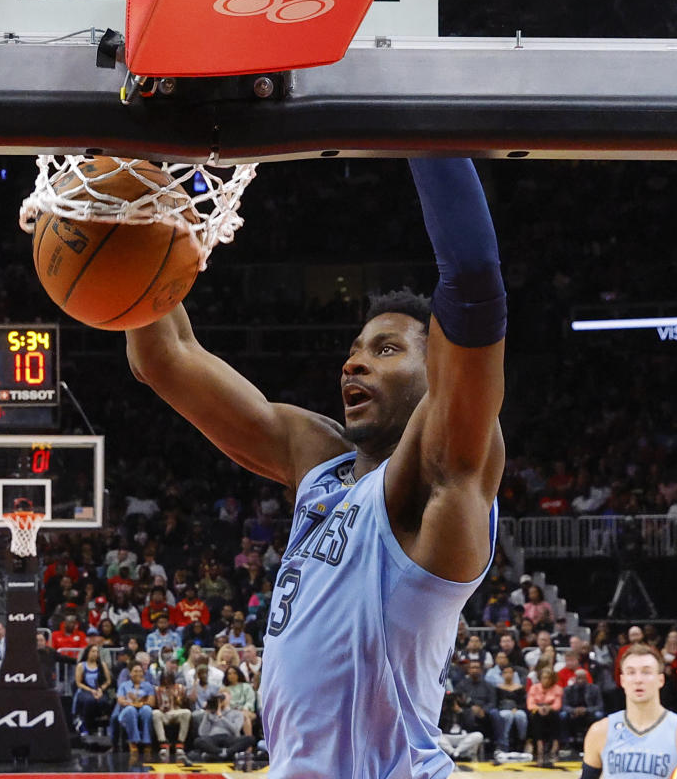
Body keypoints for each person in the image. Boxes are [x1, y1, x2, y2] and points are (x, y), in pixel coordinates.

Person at [125, 157, 505, 777]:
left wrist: (427, 131)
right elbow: (165, 357)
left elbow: (473, 281)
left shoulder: (438, 480)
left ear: (437, 370)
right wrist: (132, 203)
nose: (353, 365)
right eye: (353, 351)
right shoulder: (320, 462)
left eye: (385, 350)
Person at [583, 645, 677, 779]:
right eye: (631, 672)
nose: (638, 680)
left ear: (660, 680)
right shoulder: (600, 731)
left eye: (646, 672)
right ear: (622, 680)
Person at [115, 663, 155, 757]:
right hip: (127, 710)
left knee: (147, 710)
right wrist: (133, 703)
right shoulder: (124, 685)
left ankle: (147, 742)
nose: (138, 673)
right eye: (135, 671)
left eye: (140, 671)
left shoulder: (148, 686)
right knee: (131, 710)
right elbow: (121, 700)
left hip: (142, 708)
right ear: (130, 673)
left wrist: (138, 702)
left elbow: (151, 702)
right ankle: (133, 741)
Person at [151, 670, 192, 763]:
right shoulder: (157, 690)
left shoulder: (180, 688)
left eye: (169, 679)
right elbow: (157, 706)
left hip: (177, 712)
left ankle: (180, 743)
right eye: (165, 679)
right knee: (155, 713)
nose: (167, 682)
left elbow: (184, 704)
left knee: (187, 712)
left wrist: (175, 696)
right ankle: (163, 743)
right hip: (164, 714)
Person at [527, 666, 564, 765]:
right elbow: (530, 705)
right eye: (543, 677)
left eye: (548, 678)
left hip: (551, 711)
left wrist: (548, 708)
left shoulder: (557, 689)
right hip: (537, 711)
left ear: (552, 679)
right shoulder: (534, 688)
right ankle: (540, 748)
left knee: (555, 715)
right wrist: (540, 708)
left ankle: (554, 748)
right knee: (536, 716)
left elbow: (557, 705)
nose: (546, 680)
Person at [73, 644, 112, 737]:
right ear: (87, 653)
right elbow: (78, 683)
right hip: (85, 690)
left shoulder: (102, 665)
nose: (95, 654)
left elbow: (108, 681)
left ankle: (104, 726)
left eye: (97, 652)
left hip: (99, 690)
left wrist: (101, 689)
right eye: (93, 651)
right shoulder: (81, 666)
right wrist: (91, 690)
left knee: (104, 701)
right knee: (89, 701)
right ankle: (85, 725)